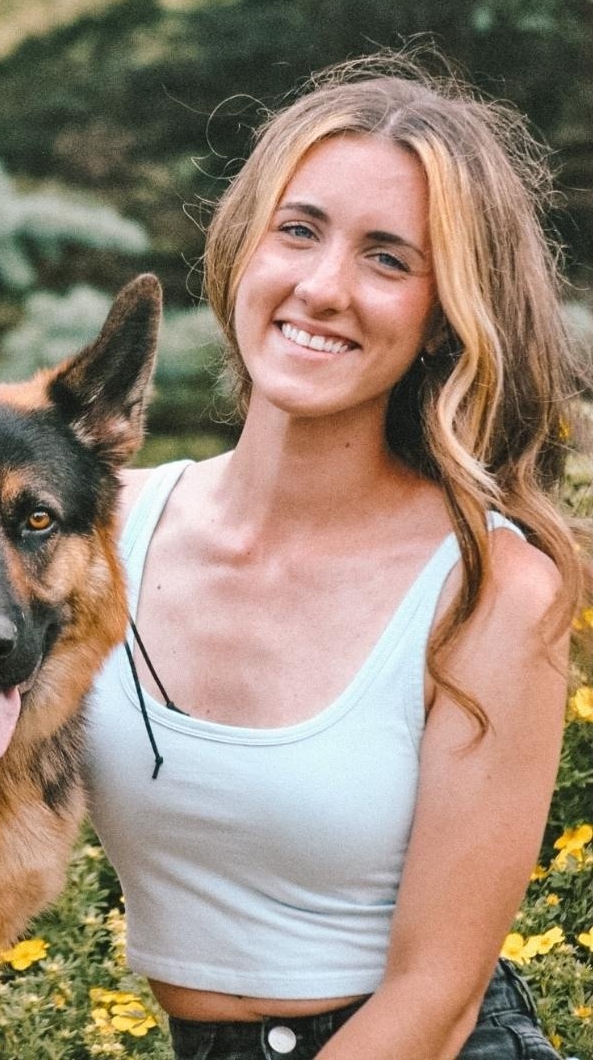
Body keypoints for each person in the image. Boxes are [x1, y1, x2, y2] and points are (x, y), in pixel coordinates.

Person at [84, 51, 590, 1060]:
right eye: (299, 230)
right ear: (244, 244)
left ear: (444, 319)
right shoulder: (104, 529)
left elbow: (437, 998)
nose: (322, 288)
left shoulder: (488, 591)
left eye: (388, 260)